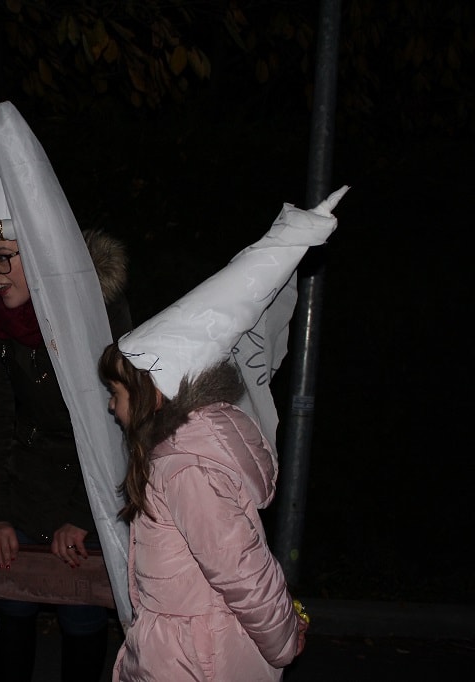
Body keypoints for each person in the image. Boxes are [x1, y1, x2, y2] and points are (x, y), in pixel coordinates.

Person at [97, 187, 349, 681]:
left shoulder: (185, 467)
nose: (110, 405)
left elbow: (241, 569)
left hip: (196, 662)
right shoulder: (178, 455)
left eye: (116, 392)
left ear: (154, 394)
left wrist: (282, 640)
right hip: (188, 651)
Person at [0, 226, 131, 682]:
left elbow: (122, 423)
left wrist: (84, 514)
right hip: (27, 477)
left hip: (93, 477)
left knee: (81, 607)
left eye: (3, 256)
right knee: (12, 597)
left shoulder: (99, 311)